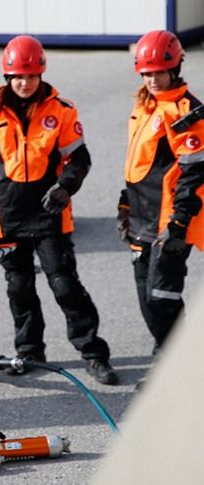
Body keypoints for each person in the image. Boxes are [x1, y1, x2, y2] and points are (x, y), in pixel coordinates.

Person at [0, 35, 118, 385]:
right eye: (18, 76)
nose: (24, 83)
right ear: (7, 76)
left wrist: (65, 188)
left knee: (65, 285)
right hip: (6, 217)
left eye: (31, 76)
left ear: (41, 75)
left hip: (49, 214)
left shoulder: (60, 110)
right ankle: (30, 352)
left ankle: (93, 353)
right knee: (19, 287)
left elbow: (79, 158)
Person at [118, 30, 204, 357]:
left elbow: (194, 172)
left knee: (161, 296)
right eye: (147, 73)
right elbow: (140, 162)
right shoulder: (145, 105)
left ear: (175, 69)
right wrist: (126, 201)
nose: (153, 79)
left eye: (159, 72)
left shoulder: (185, 112)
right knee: (146, 295)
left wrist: (179, 222)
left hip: (169, 220)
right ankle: (169, 355)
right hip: (142, 216)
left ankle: (178, 364)